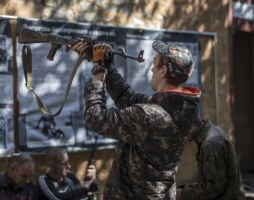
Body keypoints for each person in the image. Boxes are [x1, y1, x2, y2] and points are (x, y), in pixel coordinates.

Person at [71, 40, 201, 199]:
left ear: (163, 71)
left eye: (155, 64)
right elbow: (126, 98)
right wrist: (107, 66)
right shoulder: (181, 108)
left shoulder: (149, 115)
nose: (152, 69)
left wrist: (99, 74)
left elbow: (94, 118)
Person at [176, 120, 246, 200]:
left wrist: (181, 194)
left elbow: (213, 188)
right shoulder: (210, 132)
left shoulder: (210, 144)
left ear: (189, 124)